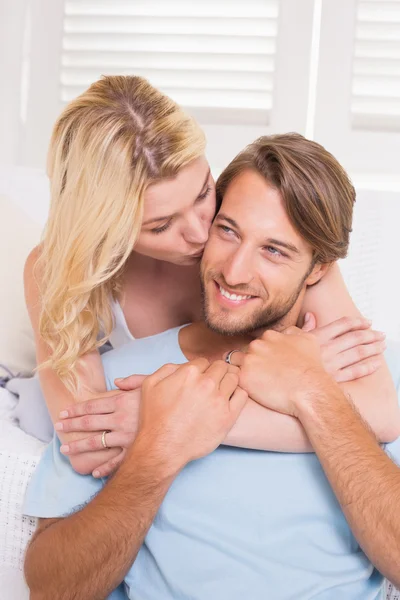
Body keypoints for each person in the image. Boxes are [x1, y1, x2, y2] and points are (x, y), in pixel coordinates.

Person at [23, 134, 400, 600]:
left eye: (274, 250)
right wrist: (157, 449)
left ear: (320, 268)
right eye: (228, 231)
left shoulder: (361, 365)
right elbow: (51, 588)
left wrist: (311, 390)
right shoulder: (121, 385)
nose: (235, 271)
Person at [25, 76, 396, 480]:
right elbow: (88, 450)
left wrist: (168, 420)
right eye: (161, 224)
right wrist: (276, 375)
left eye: (203, 193)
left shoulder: (281, 240)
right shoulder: (61, 270)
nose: (203, 234)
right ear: (105, 226)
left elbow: (380, 414)